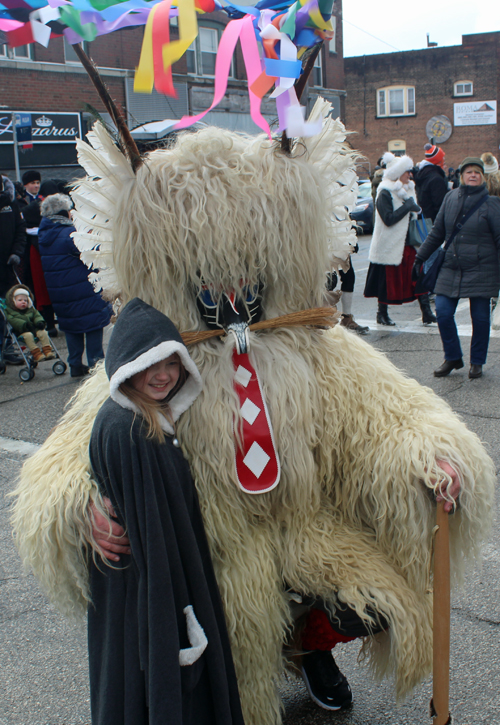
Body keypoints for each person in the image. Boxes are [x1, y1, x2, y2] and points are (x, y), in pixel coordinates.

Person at [87, 297, 244, 725]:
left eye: (171, 363)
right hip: (151, 593)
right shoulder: (131, 432)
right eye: (147, 364)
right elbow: (151, 542)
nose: (162, 375)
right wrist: (171, 625)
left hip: (150, 586)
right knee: (152, 694)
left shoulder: (147, 419)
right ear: (123, 368)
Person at [413, 157, 500, 379]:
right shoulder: (450, 198)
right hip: (451, 266)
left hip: (482, 269)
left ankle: (477, 361)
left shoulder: (491, 204)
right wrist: (420, 258)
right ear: (461, 176)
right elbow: (437, 233)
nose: (473, 175)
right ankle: (452, 357)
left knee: (480, 318)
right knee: (442, 312)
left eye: (477, 172)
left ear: (483, 178)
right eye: (469, 171)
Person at [38, 193, 112, 377]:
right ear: (65, 212)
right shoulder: (68, 233)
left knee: (71, 326)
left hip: (60, 291)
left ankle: (75, 364)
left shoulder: (45, 234)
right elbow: (90, 251)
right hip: (82, 287)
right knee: (93, 323)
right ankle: (97, 364)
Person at [364, 152, 428, 325]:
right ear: (397, 174)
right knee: (387, 282)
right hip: (389, 244)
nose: (410, 174)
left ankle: (427, 312)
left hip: (408, 243)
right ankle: (382, 314)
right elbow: (388, 218)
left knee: (418, 277)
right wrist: (407, 207)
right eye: (407, 171)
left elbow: (412, 214)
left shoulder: (408, 189)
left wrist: (415, 209)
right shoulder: (384, 192)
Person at [3, 284, 55, 362]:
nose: (23, 302)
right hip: (21, 331)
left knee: (43, 332)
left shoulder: (31, 310)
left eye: (25, 300)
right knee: (28, 335)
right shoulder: (11, 312)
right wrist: (24, 325)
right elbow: (13, 321)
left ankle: (47, 350)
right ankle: (36, 353)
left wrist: (39, 322)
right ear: (13, 301)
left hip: (34, 329)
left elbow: (37, 316)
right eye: (20, 300)